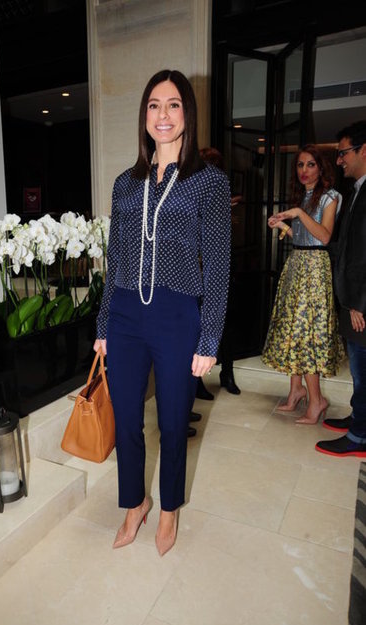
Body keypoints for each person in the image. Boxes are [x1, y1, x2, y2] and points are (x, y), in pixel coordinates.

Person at [93, 70, 231, 555]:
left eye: (173, 105)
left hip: (177, 315)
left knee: (173, 423)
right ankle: (135, 503)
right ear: (145, 115)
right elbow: (115, 260)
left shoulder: (208, 182)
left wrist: (209, 339)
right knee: (127, 419)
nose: (163, 115)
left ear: (187, 113)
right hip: (126, 313)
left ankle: (169, 508)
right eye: (154, 105)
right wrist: (104, 324)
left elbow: (218, 266)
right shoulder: (125, 184)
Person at [262, 144, 344, 424]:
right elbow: (301, 237)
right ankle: (296, 390)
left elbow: (324, 236)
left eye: (310, 164)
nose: (304, 170)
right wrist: (282, 226)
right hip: (297, 264)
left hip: (315, 268)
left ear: (321, 168)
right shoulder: (303, 197)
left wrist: (297, 213)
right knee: (292, 329)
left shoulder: (331, 196)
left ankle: (317, 400)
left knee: (307, 332)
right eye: (300, 165)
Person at [316, 121, 366, 457]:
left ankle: (359, 437)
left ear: (364, 150)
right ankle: (359, 419)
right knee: (360, 372)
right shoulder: (358, 190)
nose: (339, 160)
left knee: (363, 371)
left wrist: (360, 302)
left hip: (361, 303)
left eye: (344, 153)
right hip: (352, 299)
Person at [200, 147, 242, 395]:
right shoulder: (191, 197)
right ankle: (196, 382)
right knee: (197, 327)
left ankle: (227, 374)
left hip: (224, 269)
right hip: (197, 272)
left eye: (215, 167)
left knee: (228, 325)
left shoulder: (223, 195)